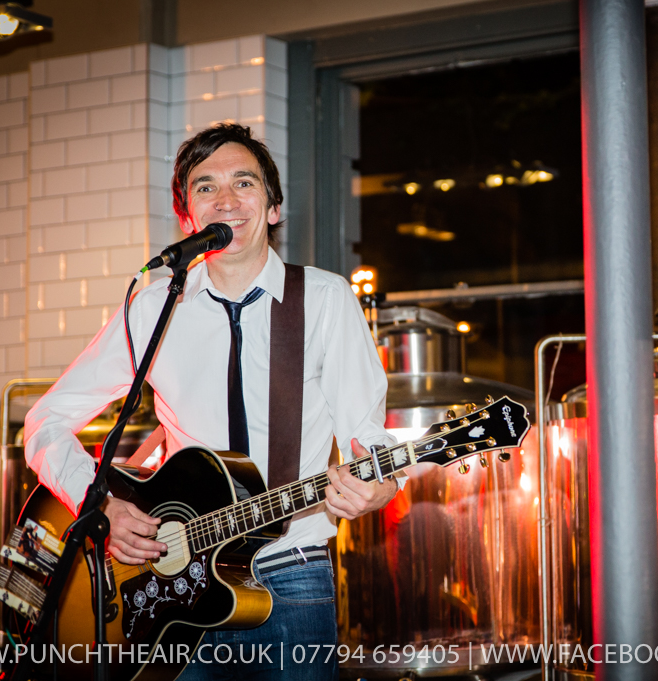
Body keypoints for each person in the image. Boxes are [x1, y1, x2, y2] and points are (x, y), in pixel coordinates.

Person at [23, 122, 398, 681]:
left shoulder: (323, 299)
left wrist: (380, 485)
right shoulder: (154, 308)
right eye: (206, 187)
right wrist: (100, 504)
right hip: (175, 583)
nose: (226, 200)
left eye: (244, 183)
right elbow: (45, 422)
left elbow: (369, 438)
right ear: (187, 217)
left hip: (289, 574)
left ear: (273, 207)